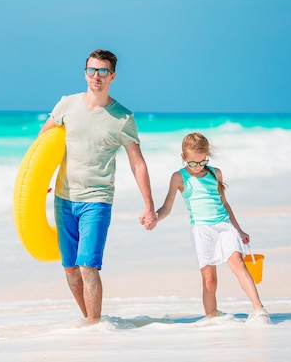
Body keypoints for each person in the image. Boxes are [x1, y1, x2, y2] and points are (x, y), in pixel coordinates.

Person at [39, 49, 157, 324]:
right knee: (70, 269)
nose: (96, 76)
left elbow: (137, 163)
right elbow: (43, 139)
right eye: (92, 70)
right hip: (64, 198)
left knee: (88, 267)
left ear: (112, 76)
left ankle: (94, 325)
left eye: (103, 71)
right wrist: (39, 181)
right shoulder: (67, 105)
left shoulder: (122, 117)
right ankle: (90, 322)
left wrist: (149, 205)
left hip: (97, 200)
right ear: (85, 73)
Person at [153, 132, 270, 322]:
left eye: (202, 162)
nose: (198, 167)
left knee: (238, 264)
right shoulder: (178, 177)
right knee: (210, 281)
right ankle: (211, 317)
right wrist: (155, 218)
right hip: (201, 231)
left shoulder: (215, 173)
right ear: (183, 158)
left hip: (224, 225)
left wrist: (239, 230)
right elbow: (167, 207)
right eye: (193, 163)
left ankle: (259, 309)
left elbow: (225, 203)